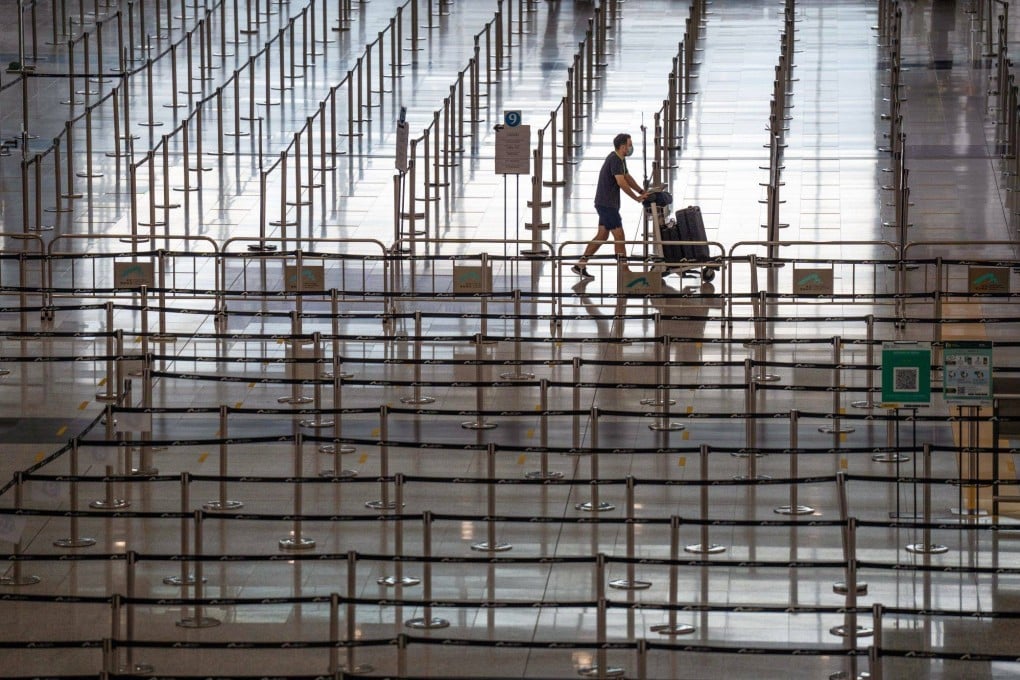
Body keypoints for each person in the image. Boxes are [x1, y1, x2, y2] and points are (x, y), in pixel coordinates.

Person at [572, 133, 648, 279]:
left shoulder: (620, 159)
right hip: (607, 205)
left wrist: (641, 191)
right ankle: (624, 270)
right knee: (619, 235)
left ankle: (580, 265)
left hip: (605, 203)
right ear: (623, 146)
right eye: (630, 144)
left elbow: (627, 176)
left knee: (602, 235)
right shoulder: (615, 160)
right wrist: (636, 198)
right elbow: (621, 182)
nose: (631, 147)